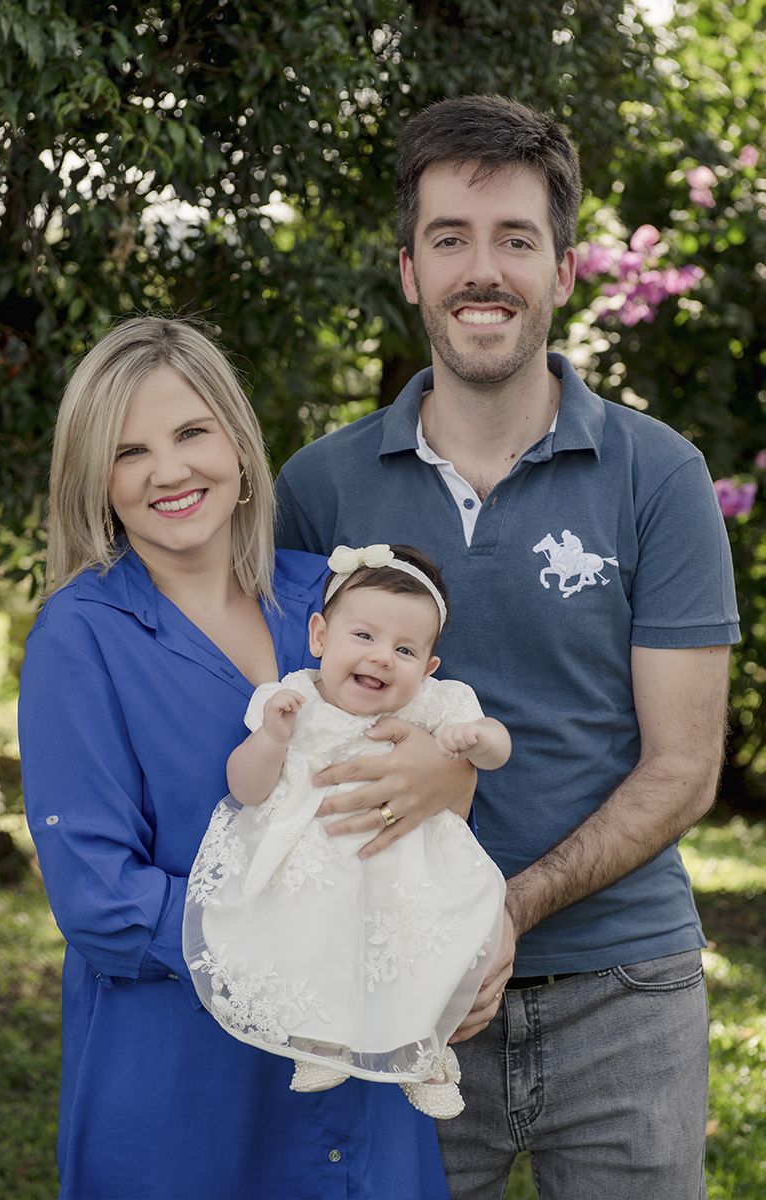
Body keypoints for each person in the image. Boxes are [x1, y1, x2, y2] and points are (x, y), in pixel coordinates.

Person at [273, 95, 739, 1199]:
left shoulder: (658, 475)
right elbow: (293, 723)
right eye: (450, 240)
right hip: (388, 992)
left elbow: (684, 768)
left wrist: (507, 908)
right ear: (408, 272)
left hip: (625, 992)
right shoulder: (319, 487)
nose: (482, 272)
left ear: (563, 270)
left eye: (515, 240)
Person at [17, 317, 457, 1200]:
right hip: (181, 1085)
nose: (169, 471)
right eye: (130, 450)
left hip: (359, 1073)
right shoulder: (79, 634)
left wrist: (452, 782)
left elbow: (427, 760)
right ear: (97, 480)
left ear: (240, 447)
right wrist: (293, 943)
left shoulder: (330, 599)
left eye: (191, 433)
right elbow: (101, 899)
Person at [183, 542, 510, 1121]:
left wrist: (478, 741)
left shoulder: (434, 703)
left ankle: (426, 1053)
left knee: (416, 951)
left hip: (406, 860)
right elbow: (245, 789)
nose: (382, 657)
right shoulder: (293, 698)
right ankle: (320, 1039)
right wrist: (271, 738)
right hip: (315, 856)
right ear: (319, 636)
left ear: (428, 668)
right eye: (364, 636)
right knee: (316, 937)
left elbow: (496, 748)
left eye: (405, 649)